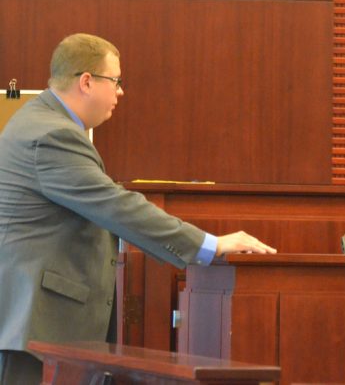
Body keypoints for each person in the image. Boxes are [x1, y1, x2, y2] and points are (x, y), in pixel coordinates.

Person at [0, 33, 276, 384]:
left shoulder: (42, 122)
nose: (120, 92)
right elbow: (117, 207)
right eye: (115, 81)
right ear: (86, 81)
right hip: (38, 330)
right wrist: (210, 245)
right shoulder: (53, 135)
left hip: (43, 328)